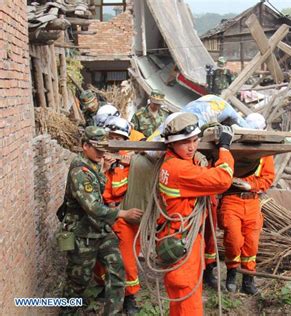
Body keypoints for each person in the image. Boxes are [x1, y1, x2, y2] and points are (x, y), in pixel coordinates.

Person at [60, 126, 143, 315]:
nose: (101, 154)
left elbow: (100, 187)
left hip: (101, 231)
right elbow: (94, 207)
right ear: (85, 146)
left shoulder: (95, 164)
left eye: (103, 150)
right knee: (78, 281)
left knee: (117, 271)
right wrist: (123, 214)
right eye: (97, 150)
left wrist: (104, 168)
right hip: (83, 234)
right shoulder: (79, 171)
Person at [157, 112, 235, 315]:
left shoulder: (170, 162)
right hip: (183, 244)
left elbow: (191, 166)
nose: (192, 147)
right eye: (185, 142)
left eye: (194, 140)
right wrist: (224, 148)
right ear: (171, 144)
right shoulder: (179, 169)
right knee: (188, 301)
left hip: (178, 239)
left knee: (179, 302)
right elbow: (223, 179)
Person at [218, 113, 275, 295]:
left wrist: (251, 185)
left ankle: (248, 280)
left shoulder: (265, 154)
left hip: (252, 202)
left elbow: (268, 179)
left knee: (251, 244)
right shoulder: (232, 148)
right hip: (231, 200)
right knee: (234, 241)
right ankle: (232, 273)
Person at [92, 117, 142, 314]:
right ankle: (106, 287)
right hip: (102, 215)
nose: (115, 142)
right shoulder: (96, 162)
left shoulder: (134, 163)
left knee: (127, 259)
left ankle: (130, 298)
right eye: (111, 137)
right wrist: (104, 168)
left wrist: (130, 161)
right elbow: (94, 192)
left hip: (124, 217)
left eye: (119, 139)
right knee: (99, 259)